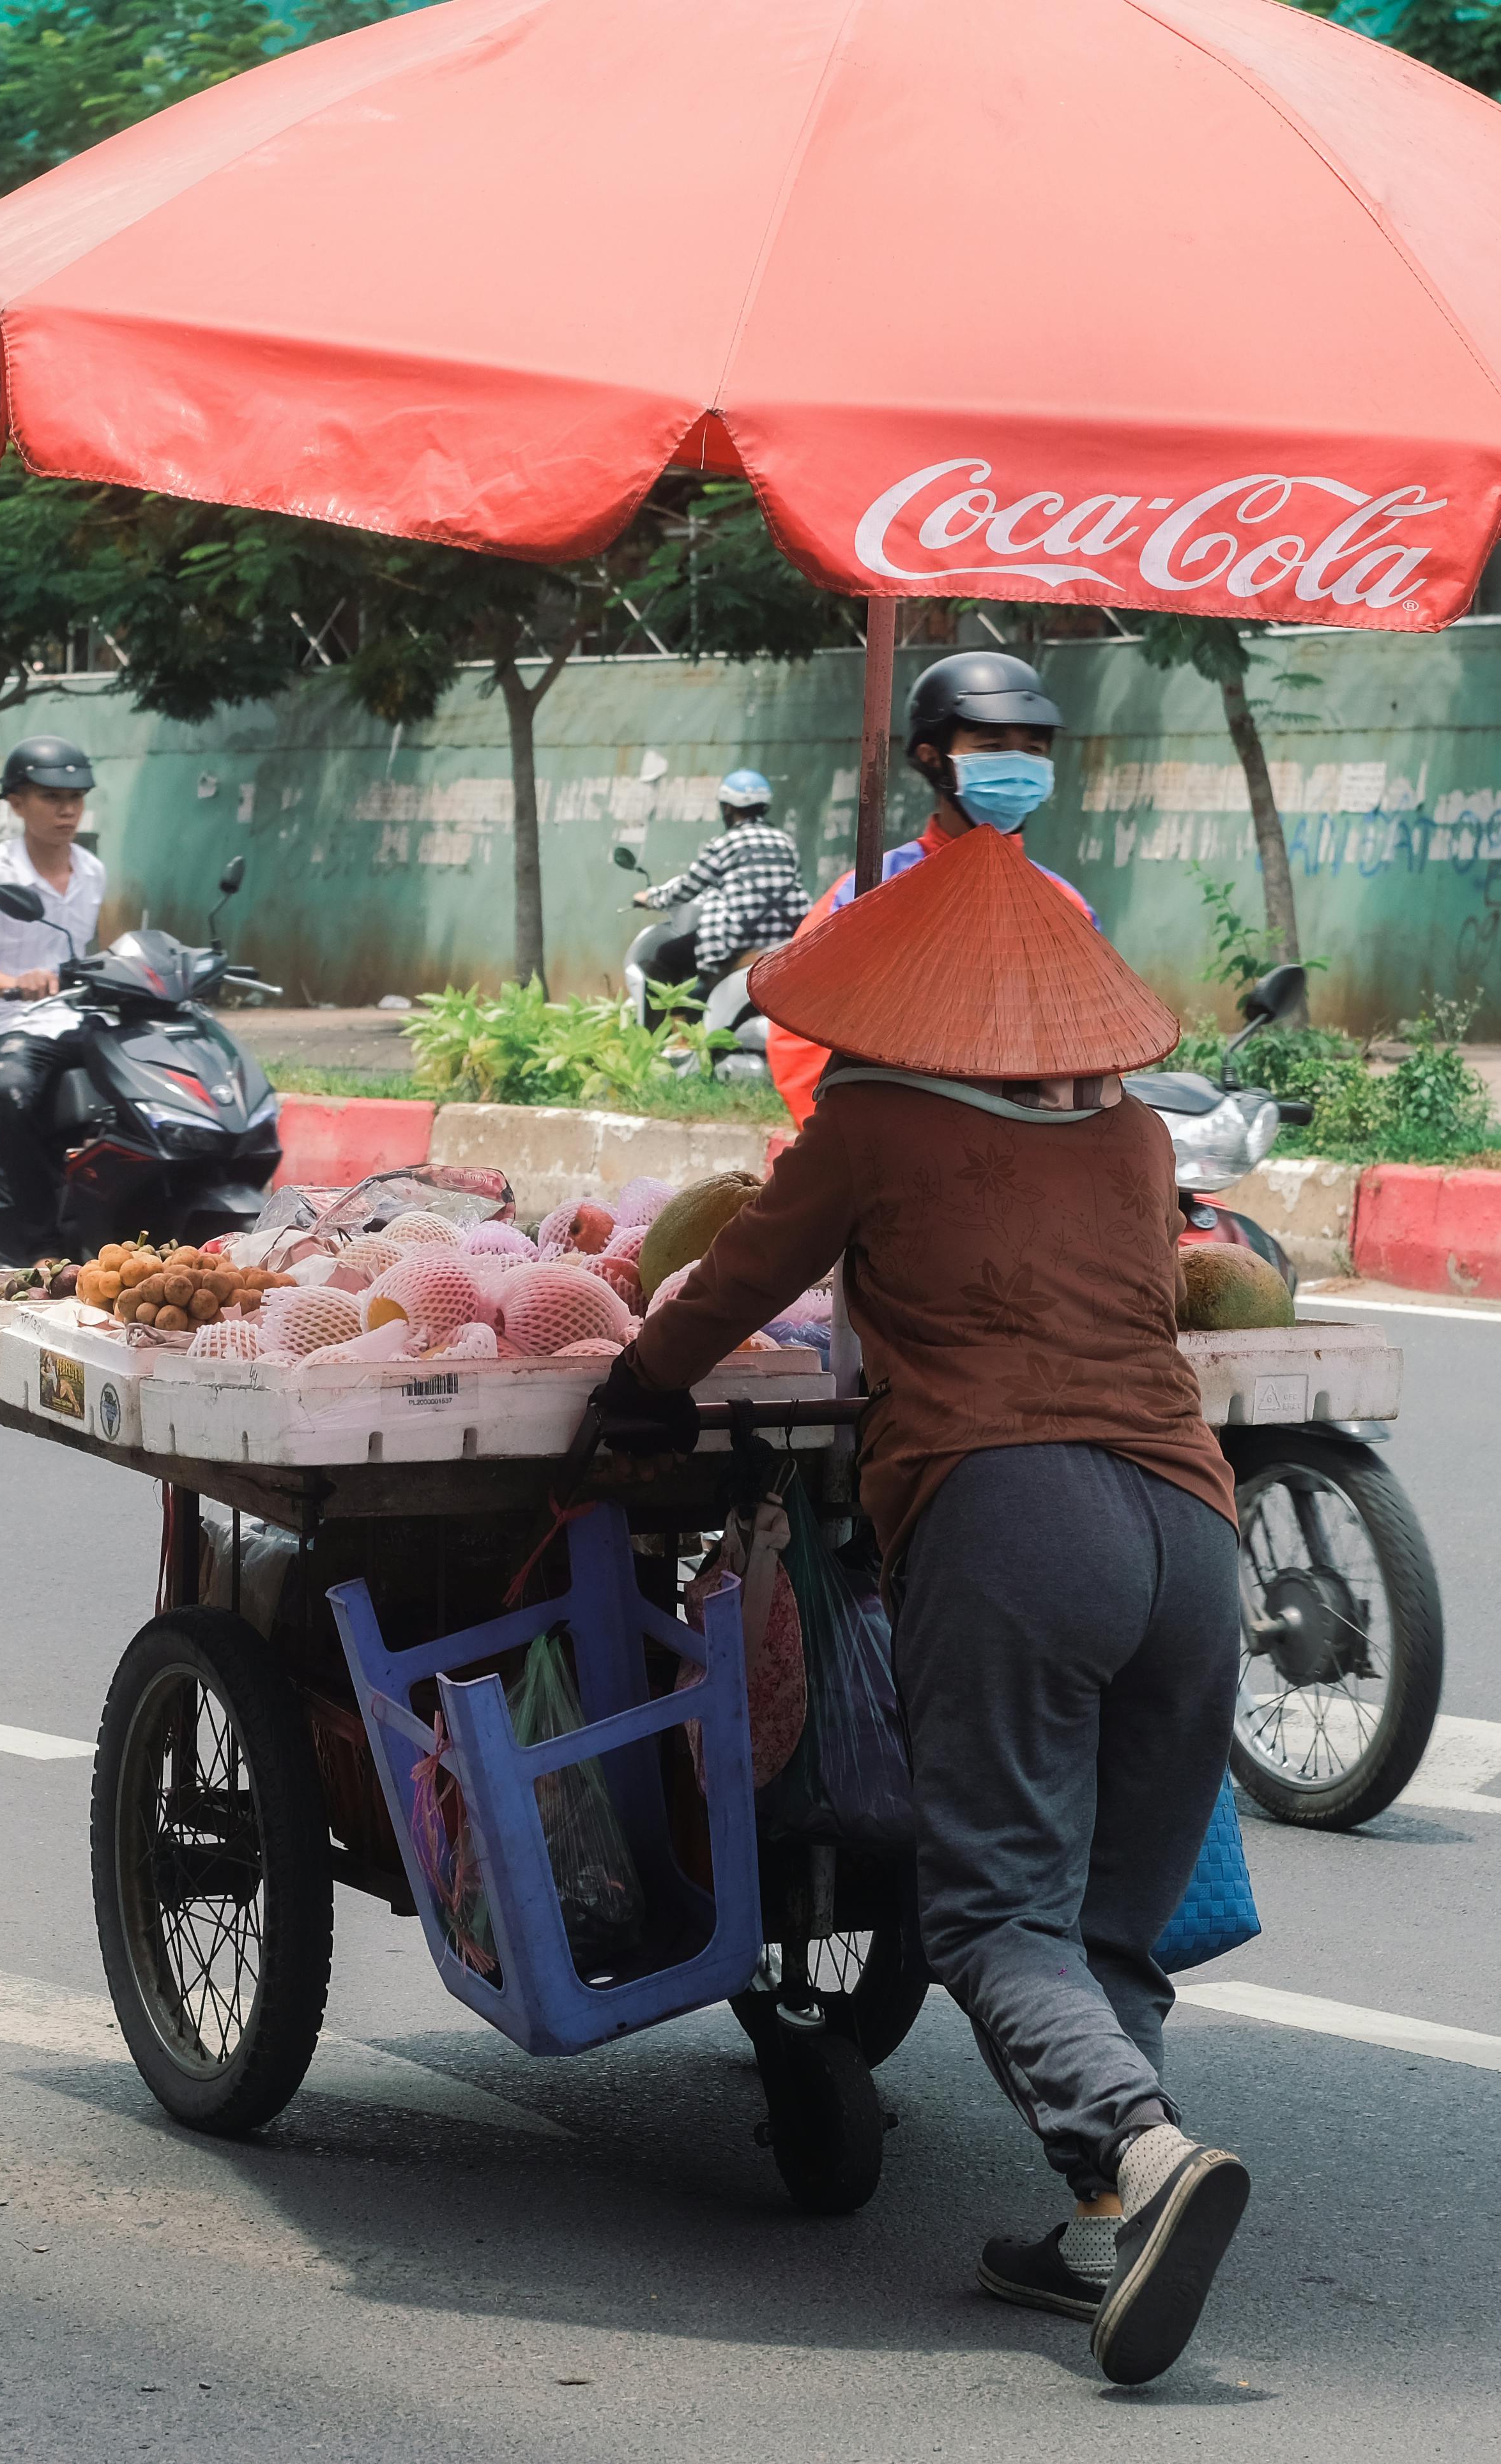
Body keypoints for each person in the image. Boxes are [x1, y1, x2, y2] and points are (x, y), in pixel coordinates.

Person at [600, 819, 1251, 2387]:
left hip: (1012, 1520)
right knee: (1110, 1916)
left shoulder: (872, 1125)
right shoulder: (1129, 1141)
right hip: (1187, 1528)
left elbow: (740, 1278)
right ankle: (1103, 2222)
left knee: (990, 1918)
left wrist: (635, 1387)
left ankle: (1142, 2152)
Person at [765, 651, 1099, 1125]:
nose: (1019, 765)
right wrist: (842, 1137)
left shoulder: (1066, 905)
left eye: (1034, 750)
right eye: (991, 746)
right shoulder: (872, 890)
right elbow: (798, 1030)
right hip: (889, 1140)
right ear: (932, 757)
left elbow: (1094, 1043)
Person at [0, 736, 109, 1250]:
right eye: (52, 798)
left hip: (79, 1020)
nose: (68, 810)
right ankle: (40, 1237)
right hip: (12, 1025)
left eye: (75, 798)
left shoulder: (92, 871)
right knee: (13, 1095)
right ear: (16, 803)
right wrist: (15, 984)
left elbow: (89, 954)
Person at [627, 769, 808, 986]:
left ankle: (671, 1017)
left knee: (667, 954)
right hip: (785, 936)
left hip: (737, 939)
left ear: (728, 807)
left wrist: (651, 898)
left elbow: (688, 887)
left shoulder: (725, 843)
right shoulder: (785, 842)